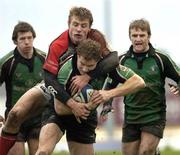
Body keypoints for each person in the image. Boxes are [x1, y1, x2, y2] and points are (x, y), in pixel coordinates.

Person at [0, 6, 119, 155]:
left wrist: (88, 77)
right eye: (75, 24)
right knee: (15, 113)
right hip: (55, 85)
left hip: (81, 89)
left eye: (83, 26)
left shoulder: (96, 37)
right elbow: (49, 79)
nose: (79, 29)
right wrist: (71, 103)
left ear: (89, 28)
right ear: (68, 23)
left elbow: (113, 59)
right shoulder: (58, 44)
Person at [35, 39, 145, 155]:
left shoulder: (107, 67)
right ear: (78, 56)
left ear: (99, 62)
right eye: (82, 64)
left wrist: (109, 93)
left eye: (90, 66)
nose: (85, 69)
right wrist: (79, 107)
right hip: (59, 112)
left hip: (85, 117)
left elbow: (139, 82)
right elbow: (59, 109)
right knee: (43, 151)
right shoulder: (66, 69)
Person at [100, 18, 180, 155]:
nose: (138, 39)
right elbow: (109, 84)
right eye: (134, 35)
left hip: (154, 116)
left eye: (142, 35)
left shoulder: (161, 58)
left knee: (145, 152)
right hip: (131, 116)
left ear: (149, 36)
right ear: (130, 37)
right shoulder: (122, 60)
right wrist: (107, 103)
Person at [0, 22, 46, 155]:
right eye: (22, 39)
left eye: (29, 38)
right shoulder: (6, 62)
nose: (27, 42)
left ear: (33, 38)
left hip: (38, 118)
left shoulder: (45, 58)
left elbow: (54, 85)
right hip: (15, 118)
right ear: (15, 41)